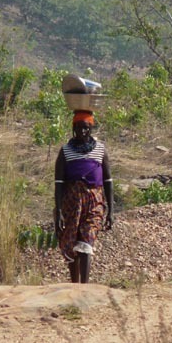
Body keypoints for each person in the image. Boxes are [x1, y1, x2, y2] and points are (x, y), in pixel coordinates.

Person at [54, 110, 114, 283]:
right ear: (73, 128)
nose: (83, 131)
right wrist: (58, 212)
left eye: (86, 128)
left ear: (91, 128)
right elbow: (58, 184)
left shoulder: (100, 150)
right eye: (79, 127)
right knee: (72, 243)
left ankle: (84, 287)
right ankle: (75, 287)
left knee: (87, 240)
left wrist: (110, 210)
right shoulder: (65, 152)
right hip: (71, 204)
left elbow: (108, 180)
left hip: (94, 202)